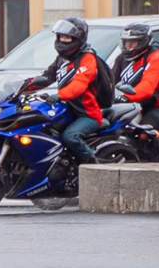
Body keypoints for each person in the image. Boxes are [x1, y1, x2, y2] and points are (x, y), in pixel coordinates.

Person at [25, 16, 106, 162]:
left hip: (87, 114)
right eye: (61, 36)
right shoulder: (61, 59)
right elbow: (47, 77)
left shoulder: (87, 59)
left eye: (67, 38)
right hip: (67, 110)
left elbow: (79, 84)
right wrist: (21, 87)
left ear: (78, 39)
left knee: (70, 137)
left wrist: (60, 95)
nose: (62, 40)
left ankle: (94, 166)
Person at [107, 22, 159, 134]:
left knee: (142, 132)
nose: (128, 46)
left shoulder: (156, 57)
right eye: (126, 42)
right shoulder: (121, 59)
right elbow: (110, 80)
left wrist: (126, 97)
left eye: (132, 42)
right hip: (132, 105)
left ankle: (156, 150)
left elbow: (147, 86)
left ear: (143, 42)